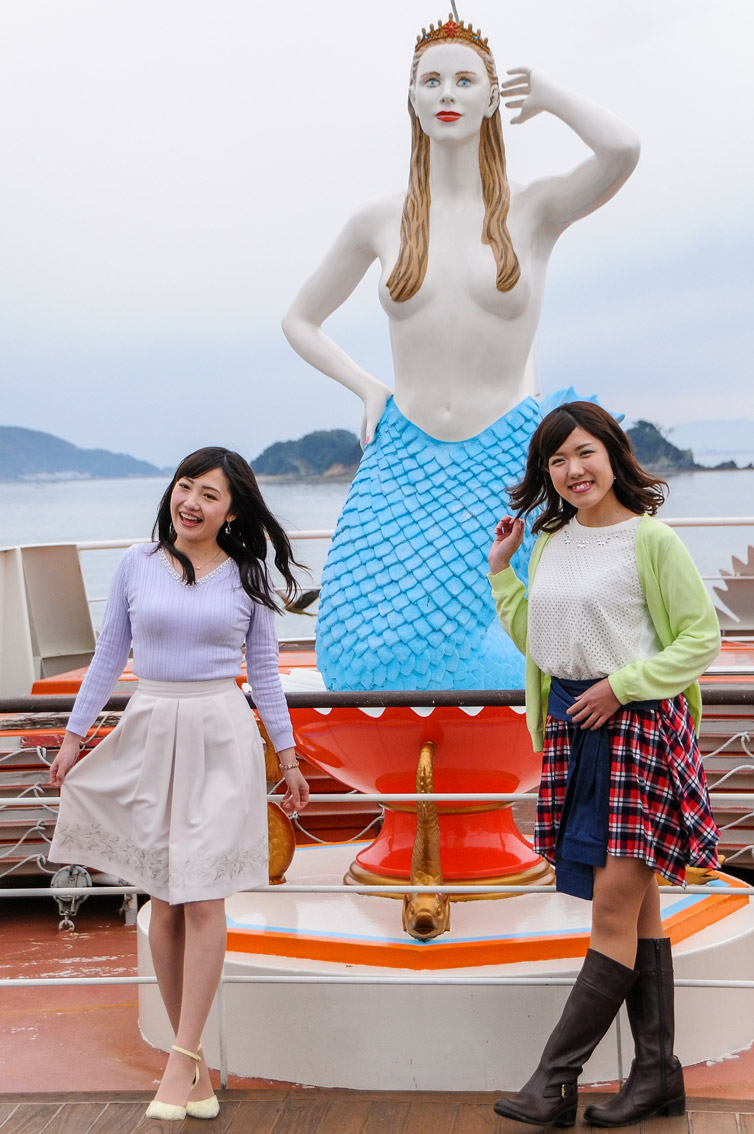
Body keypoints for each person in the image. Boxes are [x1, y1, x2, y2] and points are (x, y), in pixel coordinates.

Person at [283, 15, 640, 691]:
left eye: (465, 79)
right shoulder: (380, 218)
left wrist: (551, 96)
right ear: (412, 98)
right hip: (403, 453)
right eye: (432, 80)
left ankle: (508, 741)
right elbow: (299, 320)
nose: (447, 92)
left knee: (510, 638)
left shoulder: (531, 209)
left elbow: (622, 149)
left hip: (506, 453)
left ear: (490, 96)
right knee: (352, 645)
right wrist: (368, 387)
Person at [48, 446, 309, 1122]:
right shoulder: (136, 563)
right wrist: (74, 737)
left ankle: (180, 1058)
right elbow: (109, 655)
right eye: (185, 486)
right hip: (151, 729)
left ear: (233, 512)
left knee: (202, 900)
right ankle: (190, 1065)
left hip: (220, 734)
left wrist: (289, 757)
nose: (191, 502)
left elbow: (265, 673)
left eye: (209, 495)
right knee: (163, 902)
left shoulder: (248, 574)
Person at [487, 401, 720, 1127]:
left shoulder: (651, 539)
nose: (572, 470)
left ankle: (553, 1084)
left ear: (614, 454)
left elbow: (700, 638)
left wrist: (622, 686)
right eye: (556, 460)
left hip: (637, 731)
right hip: (575, 731)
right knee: (637, 908)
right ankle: (657, 1077)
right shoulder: (548, 541)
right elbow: (543, 640)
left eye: (584, 452)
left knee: (611, 911)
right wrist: (502, 573)